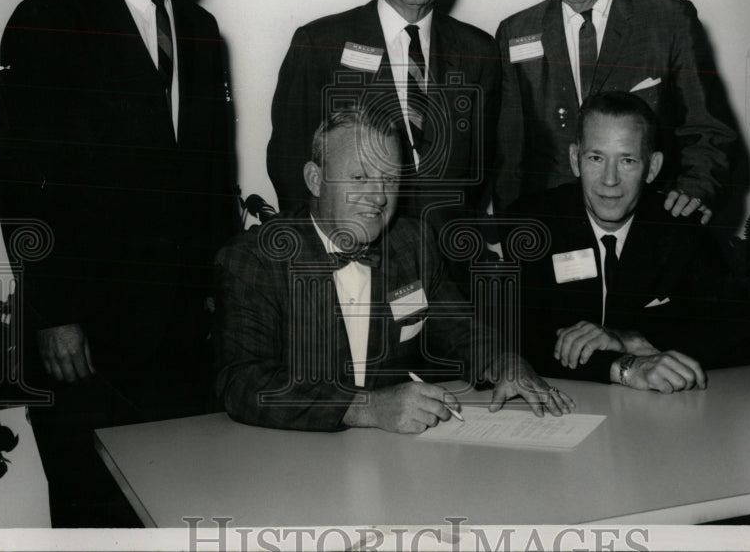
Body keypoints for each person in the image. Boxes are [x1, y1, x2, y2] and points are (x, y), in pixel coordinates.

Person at [0, 0, 238, 526]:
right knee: (94, 521)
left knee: (186, 517)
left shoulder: (201, 30)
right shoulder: (49, 18)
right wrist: (54, 314)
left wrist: (225, 297)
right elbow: (22, 184)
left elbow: (214, 183)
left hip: (182, 345)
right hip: (84, 344)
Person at [216, 108, 573, 432]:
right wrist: (365, 408)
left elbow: (458, 327)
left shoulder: (410, 243)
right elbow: (243, 382)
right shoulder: (256, 259)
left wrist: (501, 362)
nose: (379, 197)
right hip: (289, 463)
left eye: (389, 180)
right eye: (359, 178)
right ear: (314, 179)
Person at [266, 0, 500, 244]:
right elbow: (289, 164)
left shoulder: (479, 52)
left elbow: (482, 170)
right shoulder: (320, 45)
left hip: (446, 265)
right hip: (351, 258)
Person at [494, 0, 737, 222]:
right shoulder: (515, 32)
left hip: (651, 221)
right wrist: (509, 234)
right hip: (551, 228)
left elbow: (708, 130)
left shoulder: (669, 20)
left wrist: (695, 190)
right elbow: (509, 156)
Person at [503, 92, 750, 392]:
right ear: (575, 160)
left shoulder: (677, 226)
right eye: (596, 158)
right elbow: (516, 339)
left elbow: (747, 333)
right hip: (566, 404)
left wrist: (626, 338)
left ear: (652, 167)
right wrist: (623, 367)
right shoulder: (532, 222)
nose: (610, 180)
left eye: (627, 160)